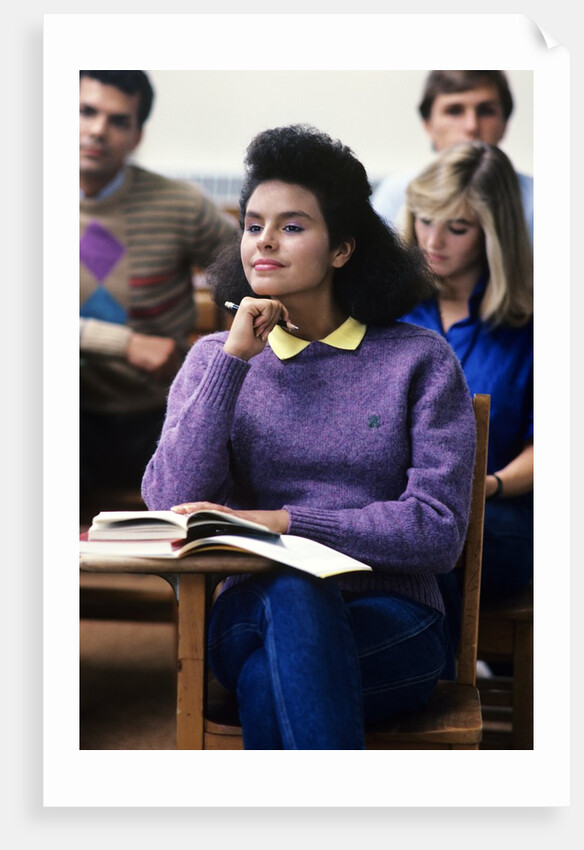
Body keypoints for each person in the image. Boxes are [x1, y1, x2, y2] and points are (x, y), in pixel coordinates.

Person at [141, 124, 477, 750]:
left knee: (273, 684)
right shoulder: (216, 358)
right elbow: (170, 502)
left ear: (343, 248)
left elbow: (436, 530)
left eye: (292, 226)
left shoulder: (418, 360)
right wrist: (234, 362)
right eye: (252, 224)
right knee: (292, 590)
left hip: (394, 621)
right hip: (249, 612)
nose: (264, 240)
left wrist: (283, 523)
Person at [79, 70, 238, 503]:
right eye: (85, 111)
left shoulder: (178, 204)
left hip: (159, 412)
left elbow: (250, 270)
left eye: (118, 120)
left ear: (136, 135)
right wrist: (123, 343)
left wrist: (227, 352)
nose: (97, 130)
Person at [400, 141, 533, 607]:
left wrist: (486, 486)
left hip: (494, 509)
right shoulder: (386, 311)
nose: (433, 241)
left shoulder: (534, 322)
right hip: (393, 504)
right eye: (425, 220)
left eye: (457, 228)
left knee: (436, 537)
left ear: (494, 234)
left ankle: (431, 671)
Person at [372, 71, 533, 240]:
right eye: (454, 111)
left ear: (505, 124)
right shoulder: (397, 194)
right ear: (428, 125)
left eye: (486, 111)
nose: (472, 126)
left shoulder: (537, 201)